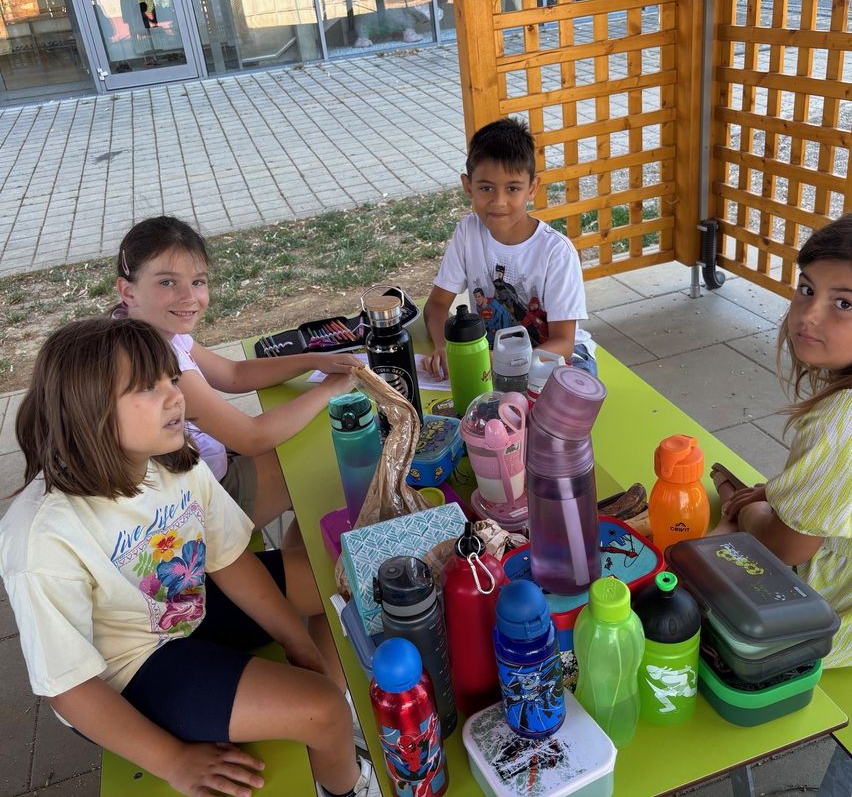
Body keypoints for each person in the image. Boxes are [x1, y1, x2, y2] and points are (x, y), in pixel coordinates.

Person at [0, 318, 377, 797]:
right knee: (321, 708)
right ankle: (347, 784)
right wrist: (172, 760)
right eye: (147, 389)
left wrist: (296, 643)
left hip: (187, 606)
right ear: (87, 410)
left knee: (338, 577)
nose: (175, 396)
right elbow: (68, 686)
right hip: (130, 667)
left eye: (171, 379)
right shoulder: (42, 537)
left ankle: (338, 721)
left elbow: (229, 560)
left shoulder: (171, 460)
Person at [114, 216, 362, 531]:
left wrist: (310, 361)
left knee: (309, 444)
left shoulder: (148, 327)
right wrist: (328, 390)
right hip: (202, 502)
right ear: (128, 290)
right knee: (329, 463)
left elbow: (232, 374)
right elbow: (251, 437)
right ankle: (303, 562)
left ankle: (303, 547)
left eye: (198, 281)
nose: (188, 297)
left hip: (202, 468)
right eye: (167, 282)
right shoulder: (154, 358)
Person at [710, 217, 852, 669]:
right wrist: (775, 494)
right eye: (807, 290)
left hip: (829, 618)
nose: (809, 315)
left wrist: (747, 508)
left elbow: (787, 549)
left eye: (844, 303)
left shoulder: (839, 420)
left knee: (686, 586)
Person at [423, 116, 596, 380]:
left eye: (512, 188)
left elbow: (564, 343)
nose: (499, 202)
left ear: (532, 188)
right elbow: (436, 305)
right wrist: (446, 347)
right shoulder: (469, 232)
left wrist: (500, 361)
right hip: (493, 362)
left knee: (551, 414)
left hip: (557, 358)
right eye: (486, 188)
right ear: (468, 186)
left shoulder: (556, 252)